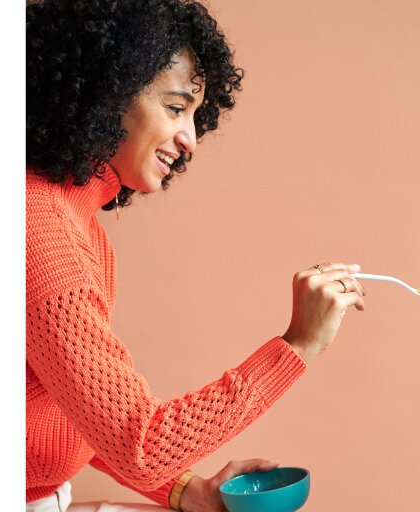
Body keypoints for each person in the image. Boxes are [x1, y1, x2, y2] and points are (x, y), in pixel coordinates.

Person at [26, 1, 366, 511]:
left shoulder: (75, 226)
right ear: (106, 89)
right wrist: (299, 343)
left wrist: (189, 491)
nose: (190, 139)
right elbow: (141, 444)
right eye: (175, 106)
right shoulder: (41, 234)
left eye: (195, 115)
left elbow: (79, 418)